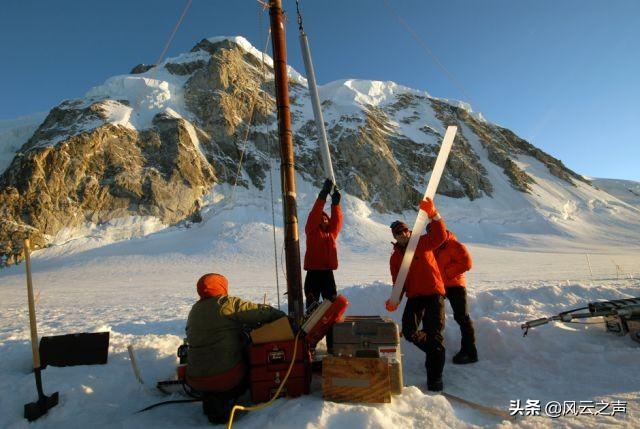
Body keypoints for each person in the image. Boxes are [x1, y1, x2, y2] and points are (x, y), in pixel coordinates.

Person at [186, 273, 286, 423]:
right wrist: (281, 316)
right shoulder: (226, 303)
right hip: (227, 378)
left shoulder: (194, 309)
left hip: (195, 380)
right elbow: (258, 312)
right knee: (249, 346)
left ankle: (215, 398)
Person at [387, 198, 448, 391]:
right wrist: (394, 300)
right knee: (410, 331)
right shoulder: (395, 257)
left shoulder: (421, 243)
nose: (403, 234)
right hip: (415, 296)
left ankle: (435, 378)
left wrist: (434, 215)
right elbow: (399, 281)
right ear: (395, 237)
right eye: (398, 233)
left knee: (434, 333)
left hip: (433, 294)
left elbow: (440, 237)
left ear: (409, 230)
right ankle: (434, 348)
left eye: (405, 230)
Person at [303, 178, 343, 351]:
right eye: (322, 218)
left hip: (327, 274)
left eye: (326, 218)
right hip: (313, 274)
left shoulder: (331, 233)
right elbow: (314, 214)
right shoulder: (312, 231)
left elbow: (337, 221)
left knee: (331, 311)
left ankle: (332, 347)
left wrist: (335, 204)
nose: (325, 220)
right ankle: (308, 347)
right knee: (312, 310)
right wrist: (323, 195)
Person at [433, 229, 477, 364]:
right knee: (435, 318)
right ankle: (435, 350)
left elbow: (466, 263)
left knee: (462, 317)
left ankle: (470, 352)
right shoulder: (435, 247)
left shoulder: (454, 245)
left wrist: (447, 274)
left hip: (456, 285)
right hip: (440, 286)